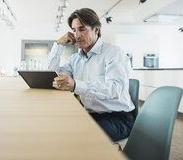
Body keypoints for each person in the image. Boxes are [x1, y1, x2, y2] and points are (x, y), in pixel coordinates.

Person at [45, 8, 135, 141]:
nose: (77, 35)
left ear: (96, 30)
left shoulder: (113, 53)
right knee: (57, 129)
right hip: (89, 114)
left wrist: (76, 85)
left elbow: (115, 89)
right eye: (74, 30)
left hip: (118, 117)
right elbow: (51, 75)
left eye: (82, 29)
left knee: (82, 139)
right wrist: (59, 45)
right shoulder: (76, 59)